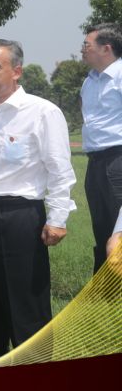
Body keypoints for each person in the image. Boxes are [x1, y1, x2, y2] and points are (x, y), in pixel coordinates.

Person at [0, 39, 76, 367]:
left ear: (16, 72)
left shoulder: (42, 112)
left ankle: (35, 379)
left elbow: (59, 168)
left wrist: (58, 218)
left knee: (26, 306)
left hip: (19, 217)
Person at [79, 23, 122, 273]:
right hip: (95, 162)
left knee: (119, 229)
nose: (82, 49)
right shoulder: (90, 81)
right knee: (103, 228)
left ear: (106, 48)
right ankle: (105, 286)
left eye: (87, 45)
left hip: (118, 159)